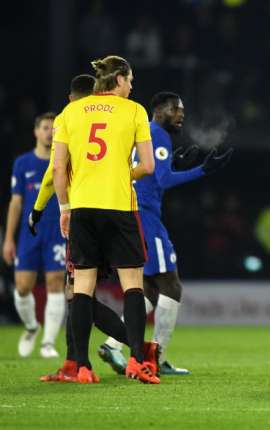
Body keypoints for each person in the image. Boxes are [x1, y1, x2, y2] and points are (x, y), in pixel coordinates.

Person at [99, 91, 233, 376]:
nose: (181, 114)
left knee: (149, 289)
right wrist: (202, 170)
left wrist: (175, 163)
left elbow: (155, 173)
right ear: (159, 111)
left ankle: (113, 344)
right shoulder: (157, 134)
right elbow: (160, 179)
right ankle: (155, 356)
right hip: (147, 218)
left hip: (130, 214)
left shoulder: (143, 132)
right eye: (176, 109)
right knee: (171, 286)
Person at [52, 55, 158, 384]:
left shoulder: (69, 112)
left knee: (82, 286)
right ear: (119, 80)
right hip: (119, 206)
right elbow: (149, 166)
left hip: (82, 206)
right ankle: (138, 362)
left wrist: (64, 207)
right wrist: (124, 174)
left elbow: (57, 169)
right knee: (132, 284)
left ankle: (81, 366)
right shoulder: (135, 110)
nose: (132, 85)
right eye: (130, 80)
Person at [30, 74, 133, 383]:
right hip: (113, 210)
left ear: (72, 98)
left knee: (78, 292)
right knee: (76, 291)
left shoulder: (69, 118)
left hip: (81, 216)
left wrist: (37, 209)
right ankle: (75, 360)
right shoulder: (116, 118)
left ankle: (132, 348)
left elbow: (53, 172)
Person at [3, 112, 66, 358]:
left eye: (53, 128)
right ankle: (31, 327)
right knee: (22, 287)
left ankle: (48, 343)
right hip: (30, 233)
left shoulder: (63, 160)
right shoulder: (23, 163)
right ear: (36, 132)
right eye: (45, 127)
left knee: (54, 283)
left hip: (56, 230)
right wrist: (9, 238)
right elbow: (16, 203)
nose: (50, 131)